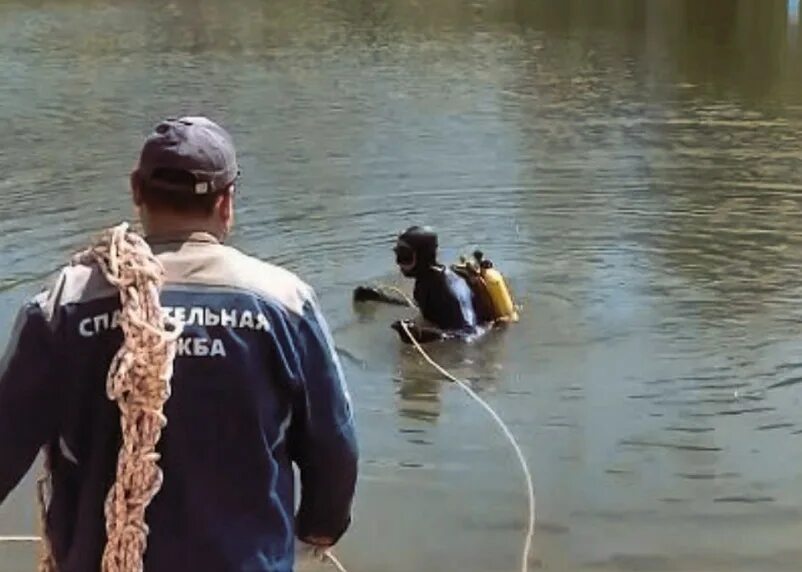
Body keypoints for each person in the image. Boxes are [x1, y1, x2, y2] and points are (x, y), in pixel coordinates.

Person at [0, 116, 358, 571]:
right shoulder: (285, 303)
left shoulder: (63, 304)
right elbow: (333, 443)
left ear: (136, 190)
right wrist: (320, 528)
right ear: (226, 201)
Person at [355, 225, 486, 344]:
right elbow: (422, 306)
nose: (398, 262)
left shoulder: (451, 290)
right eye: (398, 254)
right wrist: (381, 298)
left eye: (404, 256)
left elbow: (471, 333)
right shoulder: (425, 279)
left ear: (423, 256)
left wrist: (423, 335)